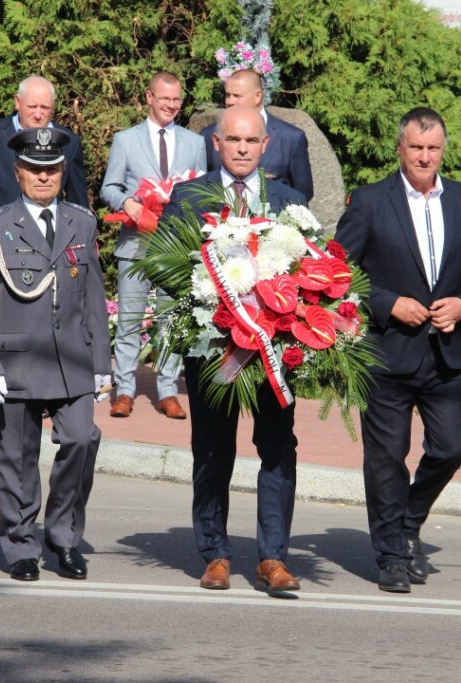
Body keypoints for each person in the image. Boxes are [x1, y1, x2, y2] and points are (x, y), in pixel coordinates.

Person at [334, 107, 461, 593]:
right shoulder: (369, 201)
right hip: (387, 352)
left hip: (446, 353)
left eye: (432, 148)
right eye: (416, 148)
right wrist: (388, 304)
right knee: (387, 457)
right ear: (400, 149)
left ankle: (407, 523)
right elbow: (338, 271)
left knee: (451, 448)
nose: (424, 157)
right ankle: (390, 555)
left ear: (442, 150)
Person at [160, 105, 306, 594]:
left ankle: (273, 558)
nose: (242, 148)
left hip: (272, 350)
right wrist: (207, 287)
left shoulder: (287, 200)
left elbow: (308, 268)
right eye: (233, 139)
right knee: (212, 451)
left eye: (251, 141)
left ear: (266, 146)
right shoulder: (188, 197)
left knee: (279, 448)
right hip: (215, 349)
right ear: (216, 143)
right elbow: (162, 265)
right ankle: (216, 553)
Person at [0, 128, 111, 582]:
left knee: (82, 440)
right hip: (17, 358)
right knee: (18, 456)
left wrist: (103, 364)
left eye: (52, 170)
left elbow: (95, 298)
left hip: (73, 360)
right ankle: (21, 543)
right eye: (35, 169)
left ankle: (63, 536)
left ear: (63, 173)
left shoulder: (81, 222)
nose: (44, 177)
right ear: (18, 172)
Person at [0, 75, 89, 412]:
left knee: (43, 312)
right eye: (32, 107)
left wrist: (86, 241)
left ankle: (45, 384)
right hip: (0, 240)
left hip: (48, 239)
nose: (39, 114)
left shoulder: (67, 141)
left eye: (46, 107)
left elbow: (78, 195)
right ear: (17, 103)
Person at [100, 71, 206, 420]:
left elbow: (201, 194)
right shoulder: (125, 140)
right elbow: (109, 188)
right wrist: (127, 203)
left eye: (176, 100)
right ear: (149, 97)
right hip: (135, 245)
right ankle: (126, 390)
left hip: (174, 248)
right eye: (165, 99)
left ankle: (167, 390)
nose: (171, 106)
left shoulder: (195, 143)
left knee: (171, 323)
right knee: (129, 320)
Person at [200, 68, 313, 201]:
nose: (229, 101)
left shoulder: (290, 138)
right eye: (227, 95)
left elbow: (302, 194)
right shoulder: (209, 135)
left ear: (257, 96)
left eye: (237, 96)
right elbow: (202, 184)